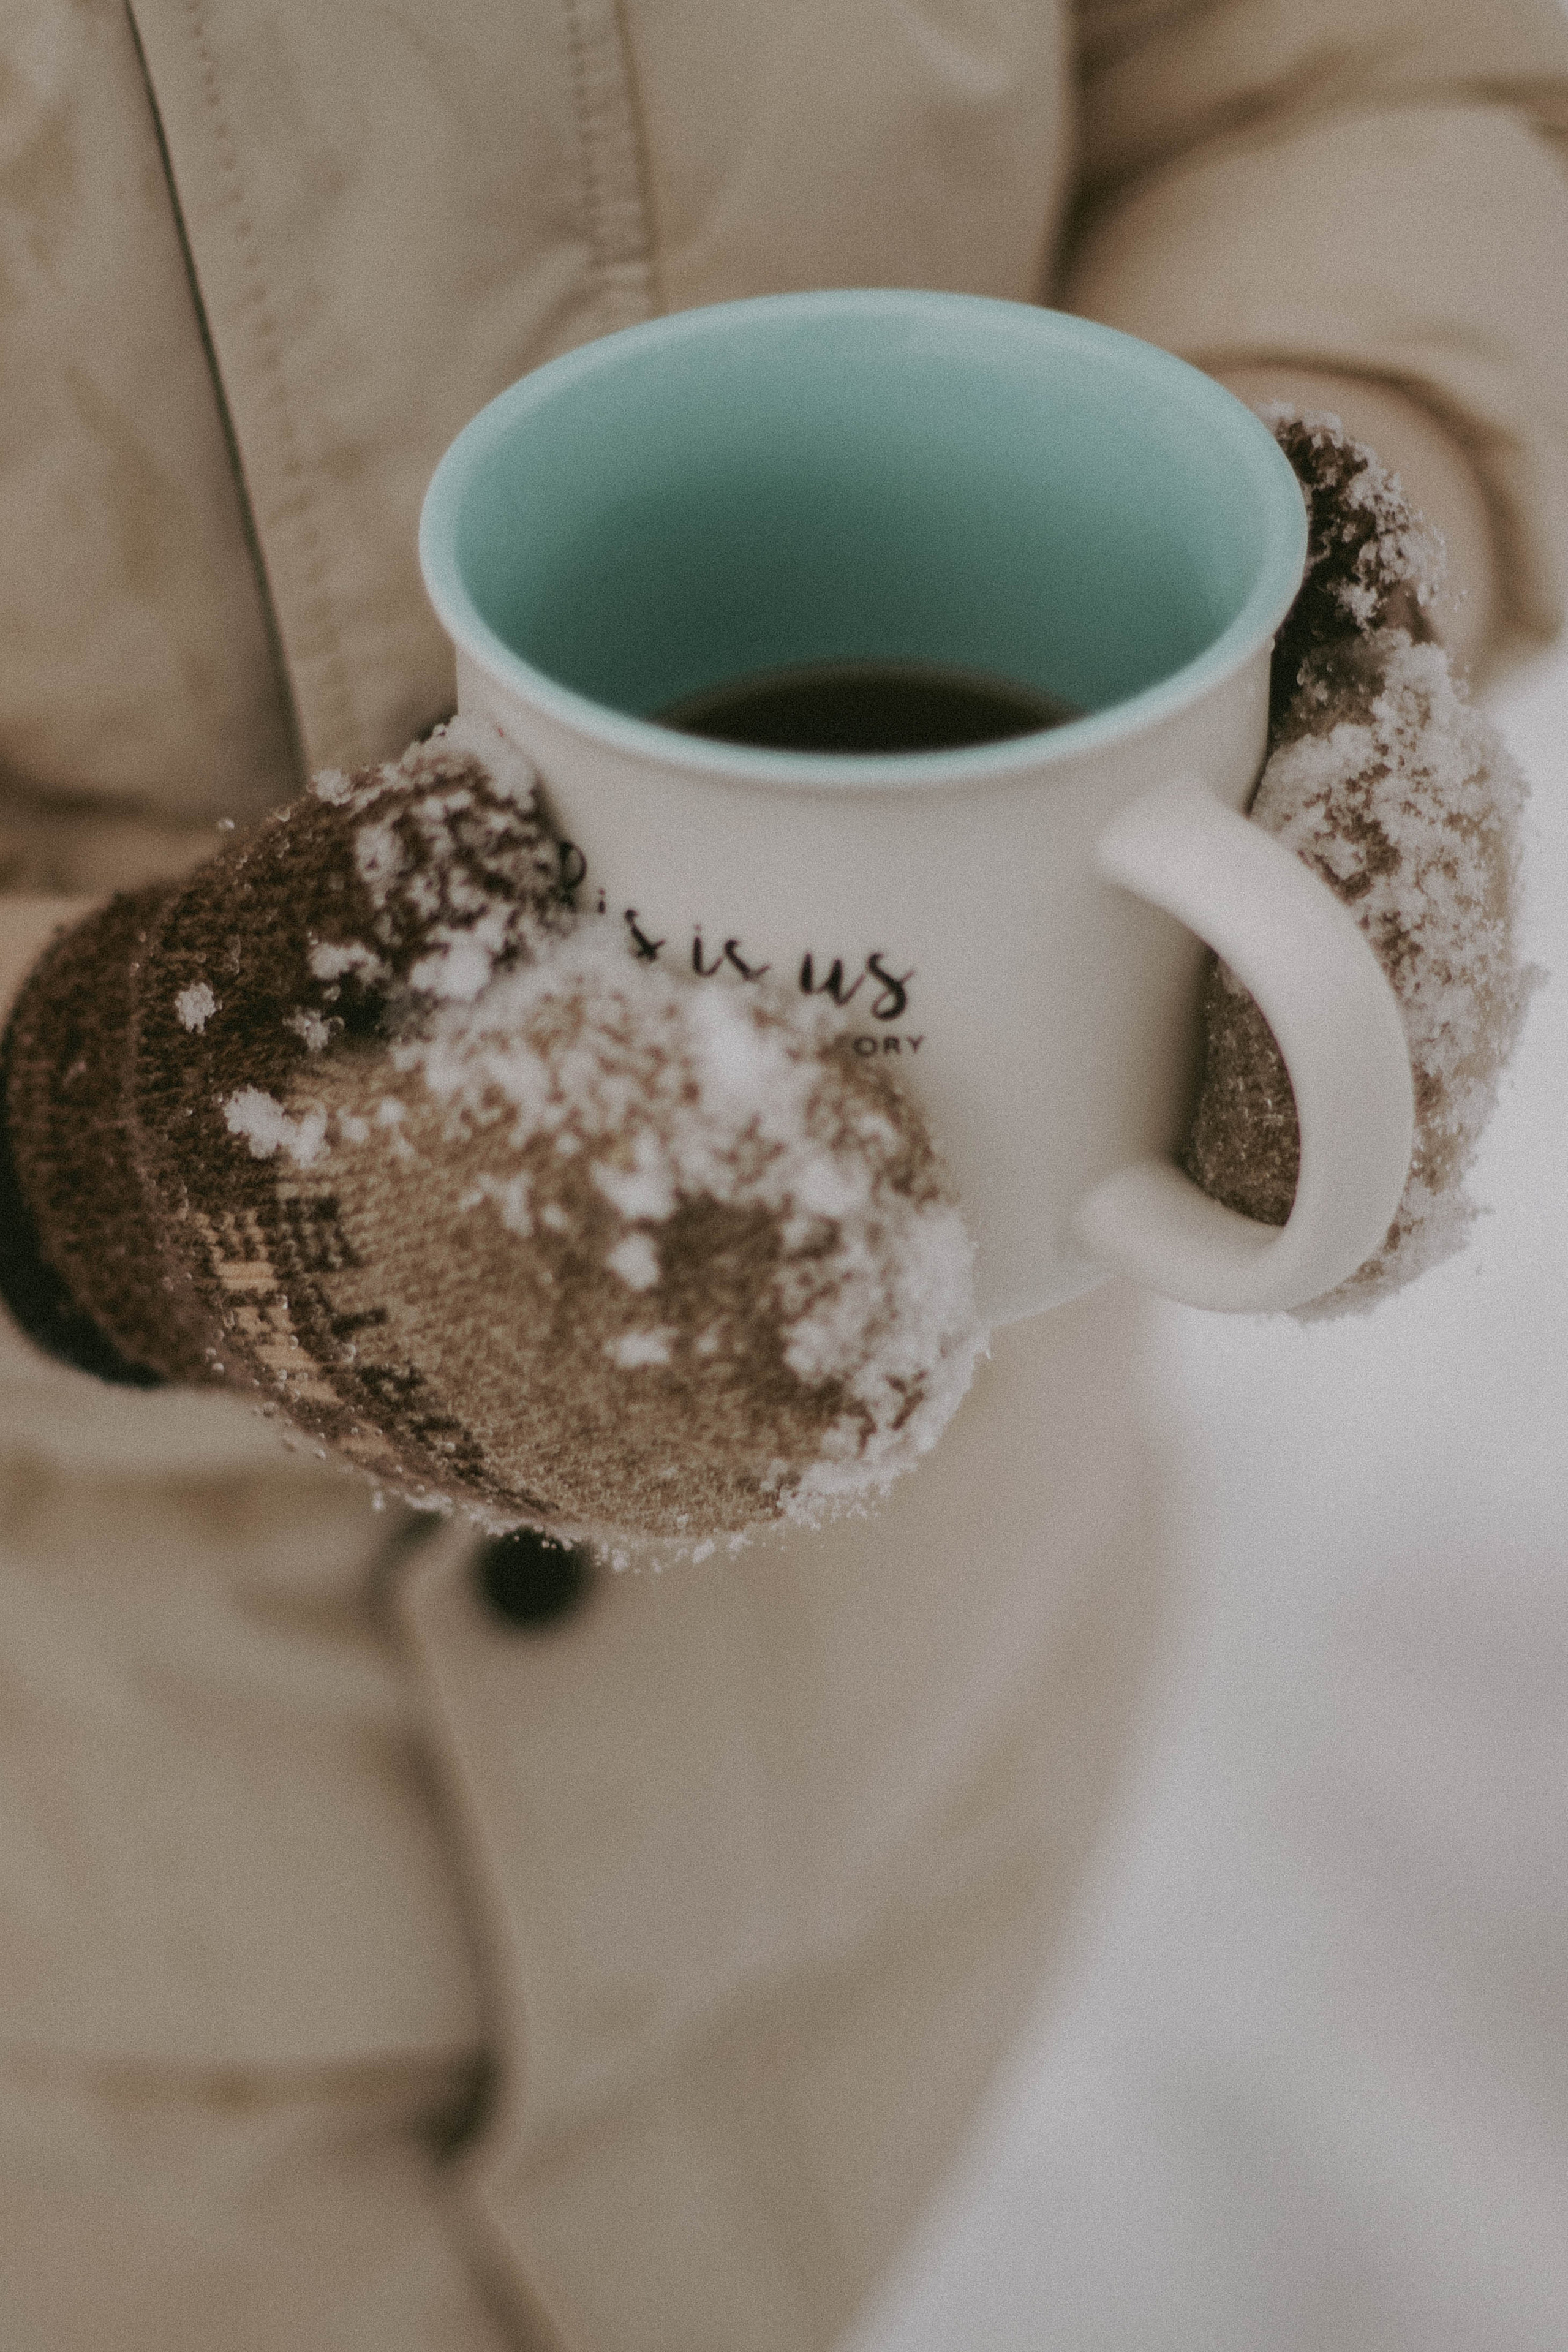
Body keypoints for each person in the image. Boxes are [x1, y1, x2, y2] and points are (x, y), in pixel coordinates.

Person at [1, 4, 1564, 2346]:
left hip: (923, 1784)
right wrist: (93, 1134)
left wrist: (1321, 560)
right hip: (105, 2037)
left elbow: (1363, 56)